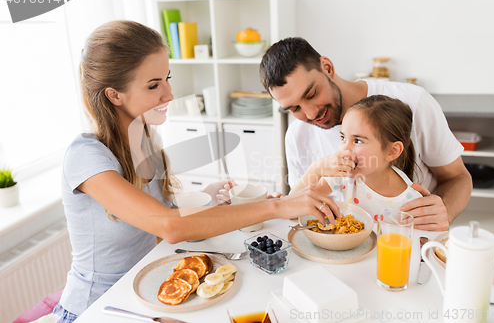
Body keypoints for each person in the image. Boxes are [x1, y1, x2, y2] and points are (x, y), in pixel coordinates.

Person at [52, 21, 337, 322]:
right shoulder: (86, 157)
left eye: (167, 79)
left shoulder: (146, 139)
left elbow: (156, 218)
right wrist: (277, 207)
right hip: (99, 308)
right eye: (153, 85)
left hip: (148, 292)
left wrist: (204, 198)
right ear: (114, 95)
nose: (169, 94)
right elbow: (169, 227)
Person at [260, 37, 472, 231]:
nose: (311, 113)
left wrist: (444, 211)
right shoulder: (296, 135)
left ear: (327, 67)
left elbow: (458, 177)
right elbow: (298, 204)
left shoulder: (413, 102)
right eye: (294, 109)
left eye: (312, 94)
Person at [290, 95, 423, 217]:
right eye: (342, 137)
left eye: (358, 141)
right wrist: (315, 169)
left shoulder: (411, 201)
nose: (344, 149)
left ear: (392, 151)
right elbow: (292, 209)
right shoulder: (342, 176)